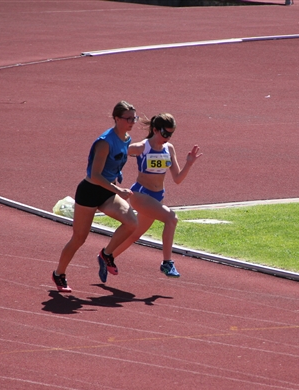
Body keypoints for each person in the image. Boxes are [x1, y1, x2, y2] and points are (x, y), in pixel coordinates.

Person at [52, 101, 139, 292]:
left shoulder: (126, 138)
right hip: (90, 191)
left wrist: (118, 177)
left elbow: (115, 163)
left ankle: (107, 254)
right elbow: (95, 175)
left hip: (107, 191)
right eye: (128, 118)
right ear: (117, 119)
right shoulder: (105, 142)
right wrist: (119, 191)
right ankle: (59, 274)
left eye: (135, 118)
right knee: (79, 239)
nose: (132, 122)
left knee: (132, 222)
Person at [111, 113, 202, 278]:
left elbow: (178, 179)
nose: (167, 137)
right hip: (140, 194)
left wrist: (189, 163)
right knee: (171, 218)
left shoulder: (169, 149)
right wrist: (115, 171)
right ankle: (167, 263)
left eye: (171, 134)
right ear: (155, 130)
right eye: (165, 133)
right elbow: (116, 151)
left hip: (157, 197)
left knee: (134, 235)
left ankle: (106, 256)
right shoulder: (142, 147)